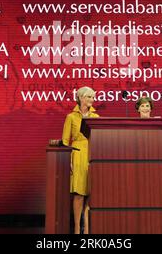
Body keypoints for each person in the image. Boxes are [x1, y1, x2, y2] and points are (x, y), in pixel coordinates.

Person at [62, 87, 99, 234]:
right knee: (79, 194)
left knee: (91, 193)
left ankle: (88, 229)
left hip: (93, 154)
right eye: (89, 97)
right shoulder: (71, 117)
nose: (91, 100)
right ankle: (77, 228)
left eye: (93, 97)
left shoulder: (96, 117)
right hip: (77, 155)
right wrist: (68, 160)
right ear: (81, 98)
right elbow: (65, 141)